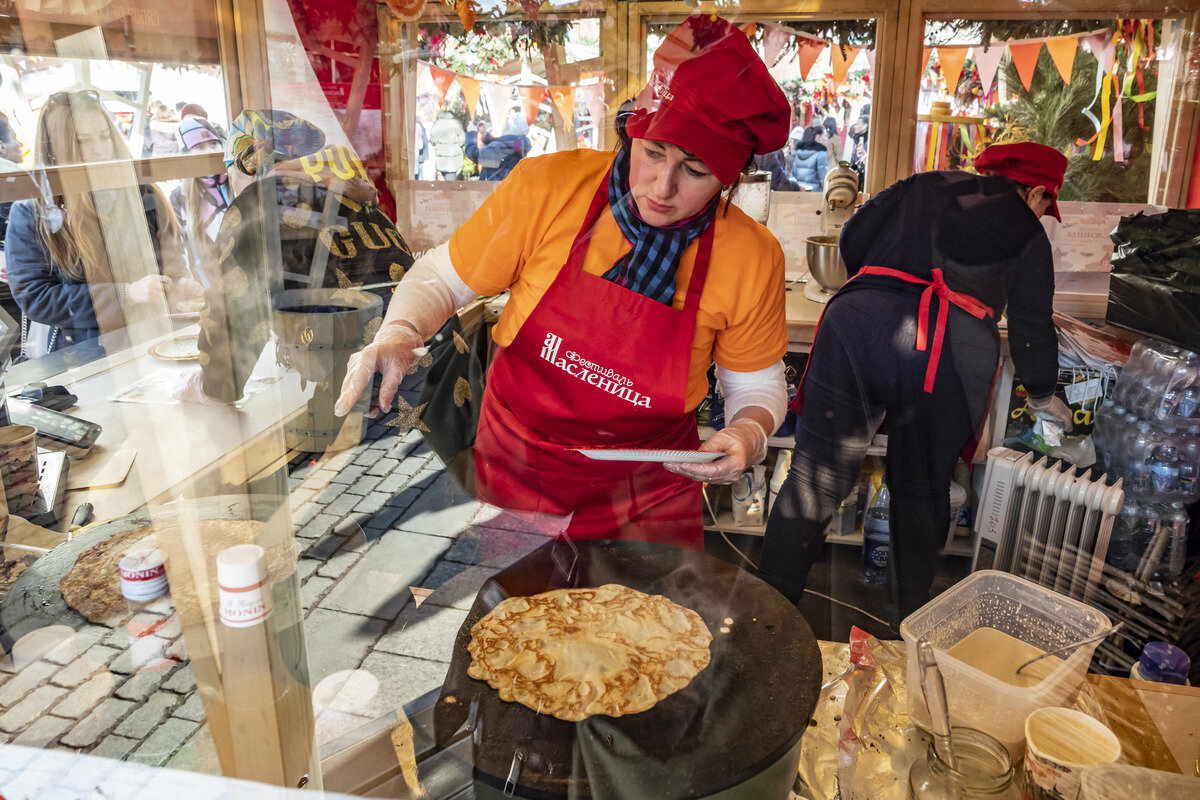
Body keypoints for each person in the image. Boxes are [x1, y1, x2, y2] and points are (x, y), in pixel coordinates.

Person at [335, 14, 791, 548]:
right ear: (635, 130)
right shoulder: (549, 188)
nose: (663, 187)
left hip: (649, 489)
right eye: (653, 153)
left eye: (695, 171)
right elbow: (443, 276)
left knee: (653, 628)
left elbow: (755, 386)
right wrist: (398, 333)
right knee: (512, 627)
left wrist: (747, 433)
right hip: (520, 467)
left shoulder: (751, 256)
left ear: (729, 176)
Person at [758, 141, 1075, 619]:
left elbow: (853, 237)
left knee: (814, 476)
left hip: (855, 321)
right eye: (1047, 203)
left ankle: (767, 613)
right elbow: (1031, 324)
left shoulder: (924, 183)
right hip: (948, 343)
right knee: (921, 487)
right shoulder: (1026, 226)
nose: (1044, 214)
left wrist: (885, 284)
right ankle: (905, 626)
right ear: (1035, 192)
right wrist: (1044, 396)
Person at [171, 109, 414, 404]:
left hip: (367, 387)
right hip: (413, 368)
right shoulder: (345, 190)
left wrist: (209, 386)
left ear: (246, 164)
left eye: (230, 172)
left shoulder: (259, 202)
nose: (230, 183)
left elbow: (233, 311)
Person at [6, 91, 196, 355]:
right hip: (86, 355)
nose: (99, 149)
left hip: (159, 340)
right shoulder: (34, 212)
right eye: (83, 142)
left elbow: (170, 260)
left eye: (105, 137)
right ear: (55, 149)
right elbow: (36, 297)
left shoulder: (141, 194)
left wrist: (180, 283)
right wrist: (124, 295)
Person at [171, 116, 230, 287]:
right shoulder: (180, 197)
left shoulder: (235, 181)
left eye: (213, 145)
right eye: (199, 148)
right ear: (186, 156)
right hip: (213, 292)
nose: (209, 152)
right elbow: (189, 256)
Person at [465, 111, 529, 181]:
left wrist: (471, 133)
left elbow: (474, 155)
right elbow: (503, 144)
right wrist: (485, 135)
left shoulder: (501, 147)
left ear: (509, 129)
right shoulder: (520, 143)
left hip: (493, 188)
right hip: (507, 185)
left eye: (506, 125)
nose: (504, 126)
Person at [429, 110, 466, 180]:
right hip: (453, 157)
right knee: (451, 183)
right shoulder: (455, 123)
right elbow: (462, 139)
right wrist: (456, 146)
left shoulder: (437, 124)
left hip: (441, 157)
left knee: (444, 180)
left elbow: (433, 141)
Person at [790, 125, 828, 191]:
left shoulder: (798, 151)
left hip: (800, 189)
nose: (826, 139)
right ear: (818, 137)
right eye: (825, 136)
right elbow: (823, 177)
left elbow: (794, 173)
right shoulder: (821, 153)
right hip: (815, 191)